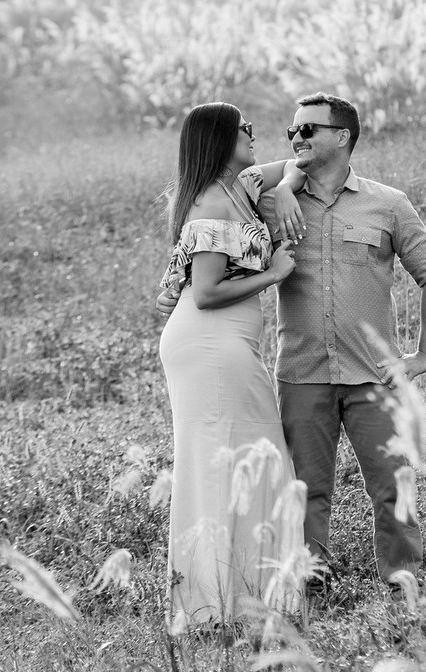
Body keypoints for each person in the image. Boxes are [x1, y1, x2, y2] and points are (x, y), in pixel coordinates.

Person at [160, 93, 426, 591]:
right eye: (293, 131)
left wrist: (423, 354)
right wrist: (291, 185)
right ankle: (308, 582)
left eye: (309, 130)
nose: (296, 138)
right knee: (304, 489)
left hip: (371, 375)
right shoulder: (264, 201)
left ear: (342, 136)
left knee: (392, 484)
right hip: (300, 371)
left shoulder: (388, 203)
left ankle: (405, 580)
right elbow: (206, 242)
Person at [158, 102, 309, 625]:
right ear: (222, 139)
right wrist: (274, 275)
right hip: (208, 343)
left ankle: (249, 590)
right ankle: (214, 601)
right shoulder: (209, 205)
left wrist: (286, 186)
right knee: (231, 457)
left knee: (250, 453)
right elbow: (204, 293)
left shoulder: (239, 186)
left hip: (226, 344)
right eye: (245, 129)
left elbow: (294, 166)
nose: (254, 134)